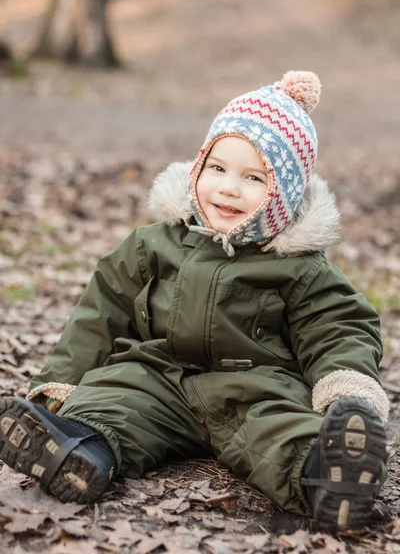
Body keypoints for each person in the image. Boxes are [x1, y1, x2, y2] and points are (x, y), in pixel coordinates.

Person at [0, 71, 389, 531]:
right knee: (112, 400)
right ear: (199, 167)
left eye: (253, 178)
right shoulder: (153, 245)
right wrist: (57, 386)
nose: (228, 188)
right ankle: (78, 450)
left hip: (254, 391)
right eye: (218, 169)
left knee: (282, 428)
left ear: (283, 196)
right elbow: (99, 314)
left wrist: (347, 391)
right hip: (157, 378)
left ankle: (329, 476)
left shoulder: (300, 267)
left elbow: (338, 328)